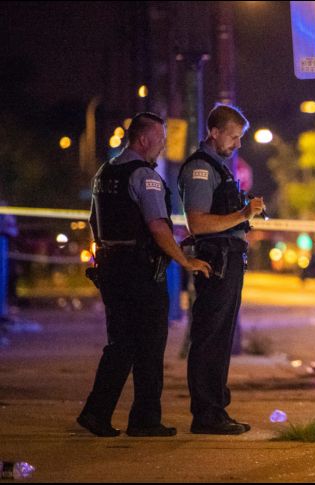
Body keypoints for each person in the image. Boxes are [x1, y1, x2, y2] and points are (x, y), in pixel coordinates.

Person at [78, 112, 212, 438]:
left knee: (120, 343)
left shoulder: (105, 172)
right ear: (143, 139)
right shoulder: (144, 176)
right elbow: (157, 227)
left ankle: (97, 412)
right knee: (150, 345)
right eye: (160, 140)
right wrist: (185, 260)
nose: (163, 147)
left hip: (112, 266)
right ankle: (145, 420)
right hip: (140, 269)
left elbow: (95, 221)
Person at [178, 104, 265, 435]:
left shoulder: (219, 166)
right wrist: (243, 215)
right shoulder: (201, 169)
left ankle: (215, 409)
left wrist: (244, 216)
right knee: (210, 338)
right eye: (233, 136)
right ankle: (207, 414)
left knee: (219, 339)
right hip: (217, 261)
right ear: (214, 132)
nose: (237, 144)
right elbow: (198, 223)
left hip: (228, 259)